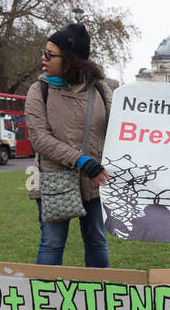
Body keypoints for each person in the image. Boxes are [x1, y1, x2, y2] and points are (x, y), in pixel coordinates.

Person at [24, 22, 112, 268]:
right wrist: (81, 160)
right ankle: (46, 300)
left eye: (50, 54)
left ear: (71, 59)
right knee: (52, 242)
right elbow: (40, 139)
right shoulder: (38, 90)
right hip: (55, 180)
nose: (44, 58)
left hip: (94, 181)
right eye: (44, 52)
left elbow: (120, 129)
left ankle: (100, 295)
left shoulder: (100, 90)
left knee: (97, 240)